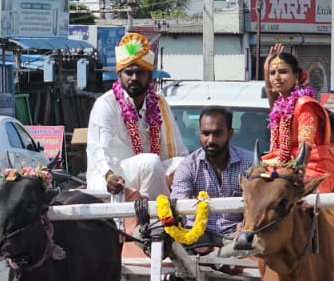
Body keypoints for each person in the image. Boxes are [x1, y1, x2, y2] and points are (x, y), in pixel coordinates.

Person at [87, 32, 183, 200]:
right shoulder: (106, 104)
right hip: (111, 175)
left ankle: (177, 215)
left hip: (150, 173)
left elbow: (180, 151)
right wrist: (108, 174)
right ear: (119, 75)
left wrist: (182, 170)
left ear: (150, 76)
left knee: (184, 165)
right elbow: (100, 150)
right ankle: (153, 221)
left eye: (140, 73)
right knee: (150, 163)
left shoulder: (159, 102)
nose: (134, 78)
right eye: (128, 73)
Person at [168, 106, 254, 254]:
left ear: (230, 133)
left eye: (217, 133)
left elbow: (260, 204)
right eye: (205, 133)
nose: (211, 140)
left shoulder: (251, 163)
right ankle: (217, 259)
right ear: (199, 134)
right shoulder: (188, 165)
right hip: (198, 240)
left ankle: (219, 258)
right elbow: (179, 206)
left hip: (238, 237)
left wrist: (247, 224)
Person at [261, 43, 334, 194]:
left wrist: (298, 173)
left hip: (312, 165)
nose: (277, 78)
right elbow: (271, 95)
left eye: (283, 72)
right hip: (281, 164)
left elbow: (306, 145)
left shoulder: (305, 105)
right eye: (273, 73)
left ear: (297, 76)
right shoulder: (280, 105)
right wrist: (267, 66)